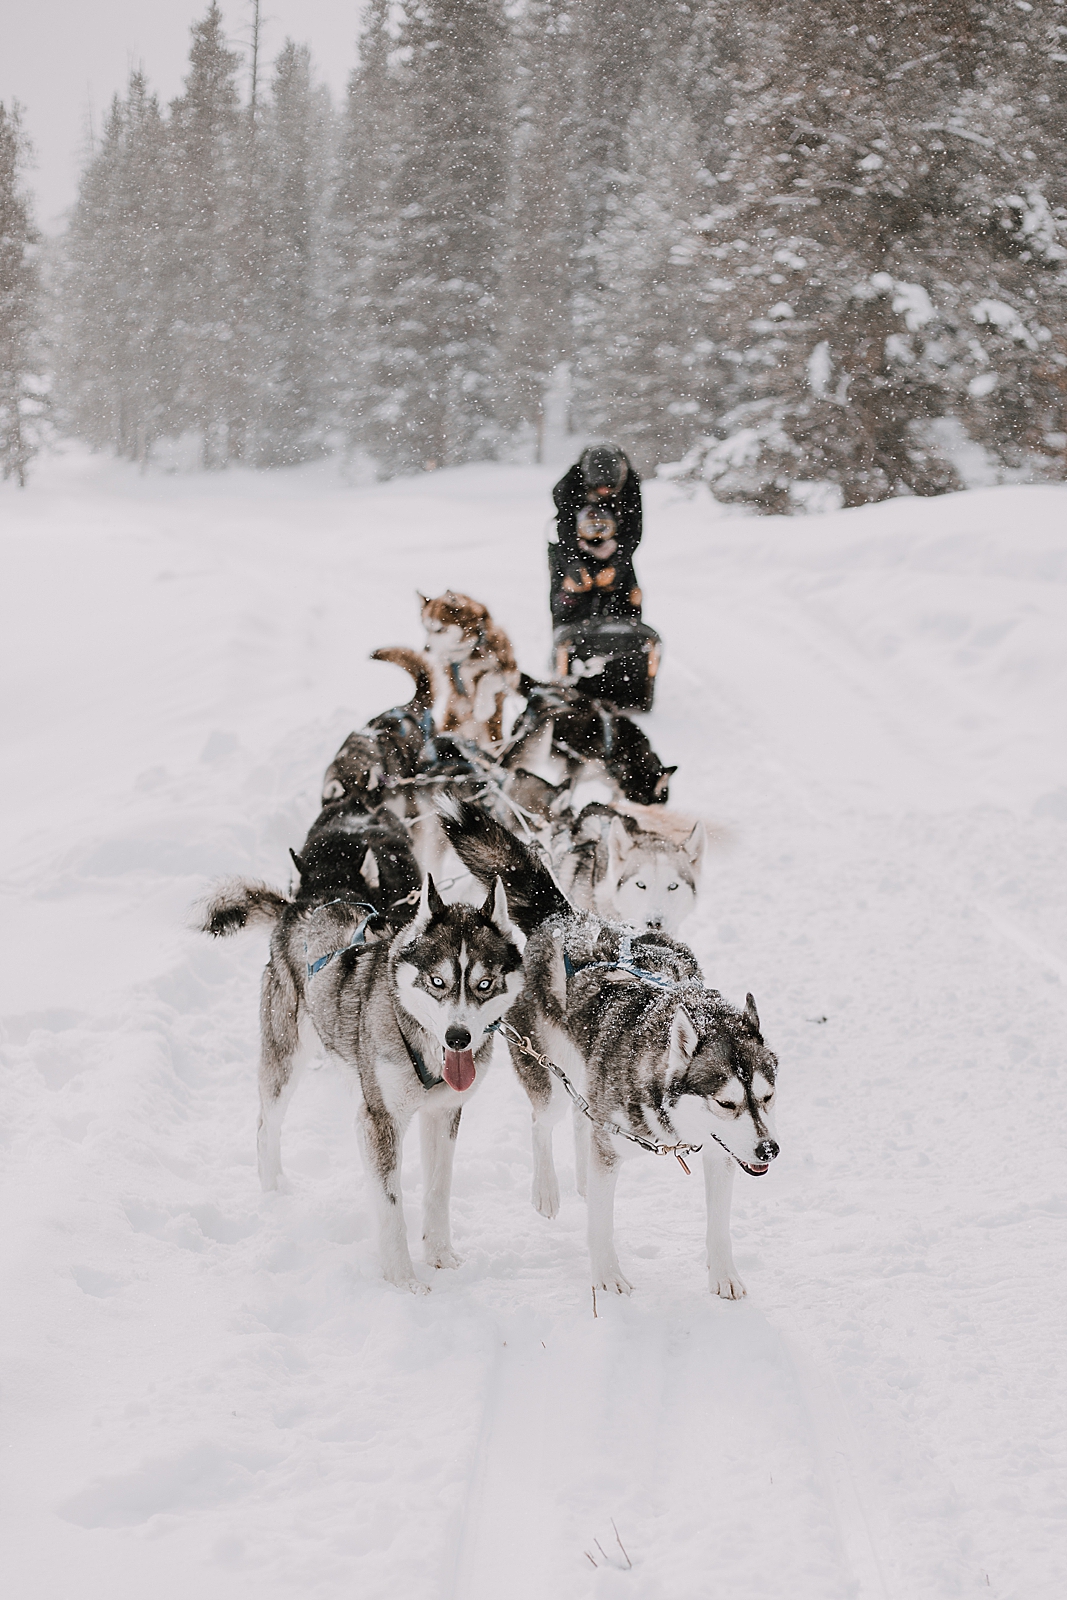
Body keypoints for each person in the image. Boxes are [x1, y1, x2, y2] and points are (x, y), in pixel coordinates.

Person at [549, 445, 643, 627]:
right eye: (598, 487)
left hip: (615, 543)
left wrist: (616, 565)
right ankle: (566, 641)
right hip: (575, 544)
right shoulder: (568, 486)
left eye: (609, 487)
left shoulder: (630, 484)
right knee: (568, 593)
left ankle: (627, 639)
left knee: (627, 595)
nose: (604, 492)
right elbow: (564, 530)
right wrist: (573, 564)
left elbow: (633, 531)